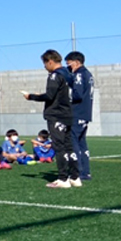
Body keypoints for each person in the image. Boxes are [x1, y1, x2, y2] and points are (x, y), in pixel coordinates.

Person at [24, 49, 81, 188]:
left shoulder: (55, 75)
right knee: (69, 146)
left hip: (57, 115)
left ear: (50, 61)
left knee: (59, 147)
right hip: (67, 113)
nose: (44, 67)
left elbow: (50, 96)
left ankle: (63, 179)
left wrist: (31, 96)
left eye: (44, 64)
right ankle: (75, 177)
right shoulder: (68, 74)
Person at [65, 51, 94, 180]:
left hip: (77, 112)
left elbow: (77, 95)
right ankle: (85, 172)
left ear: (76, 62)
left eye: (69, 64)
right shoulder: (88, 74)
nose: (68, 67)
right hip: (85, 113)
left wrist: (66, 99)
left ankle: (77, 172)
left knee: (73, 141)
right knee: (82, 142)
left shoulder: (79, 74)